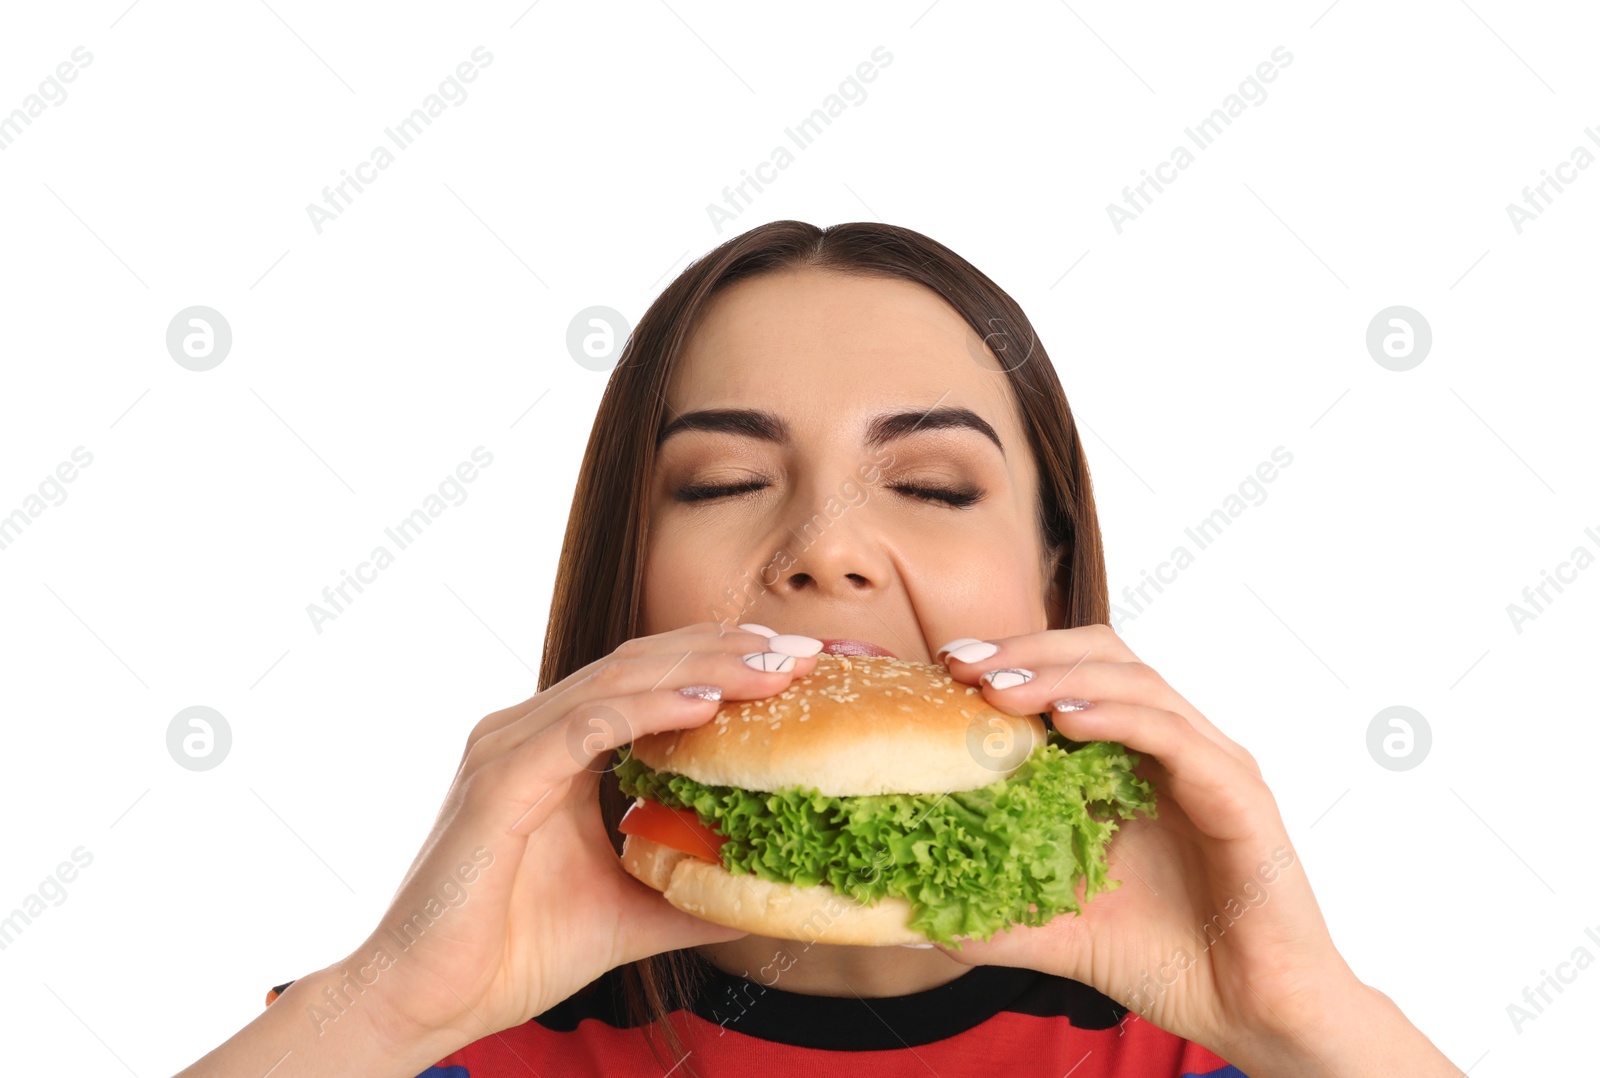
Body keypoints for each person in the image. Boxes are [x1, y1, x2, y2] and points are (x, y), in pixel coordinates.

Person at [174, 221, 1461, 1077]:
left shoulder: (1221, 1043)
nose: (826, 550)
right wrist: (390, 1004)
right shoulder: (416, 1032)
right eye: (727, 478)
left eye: (936, 485)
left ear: (1052, 572)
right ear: (628, 582)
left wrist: (1313, 1019)